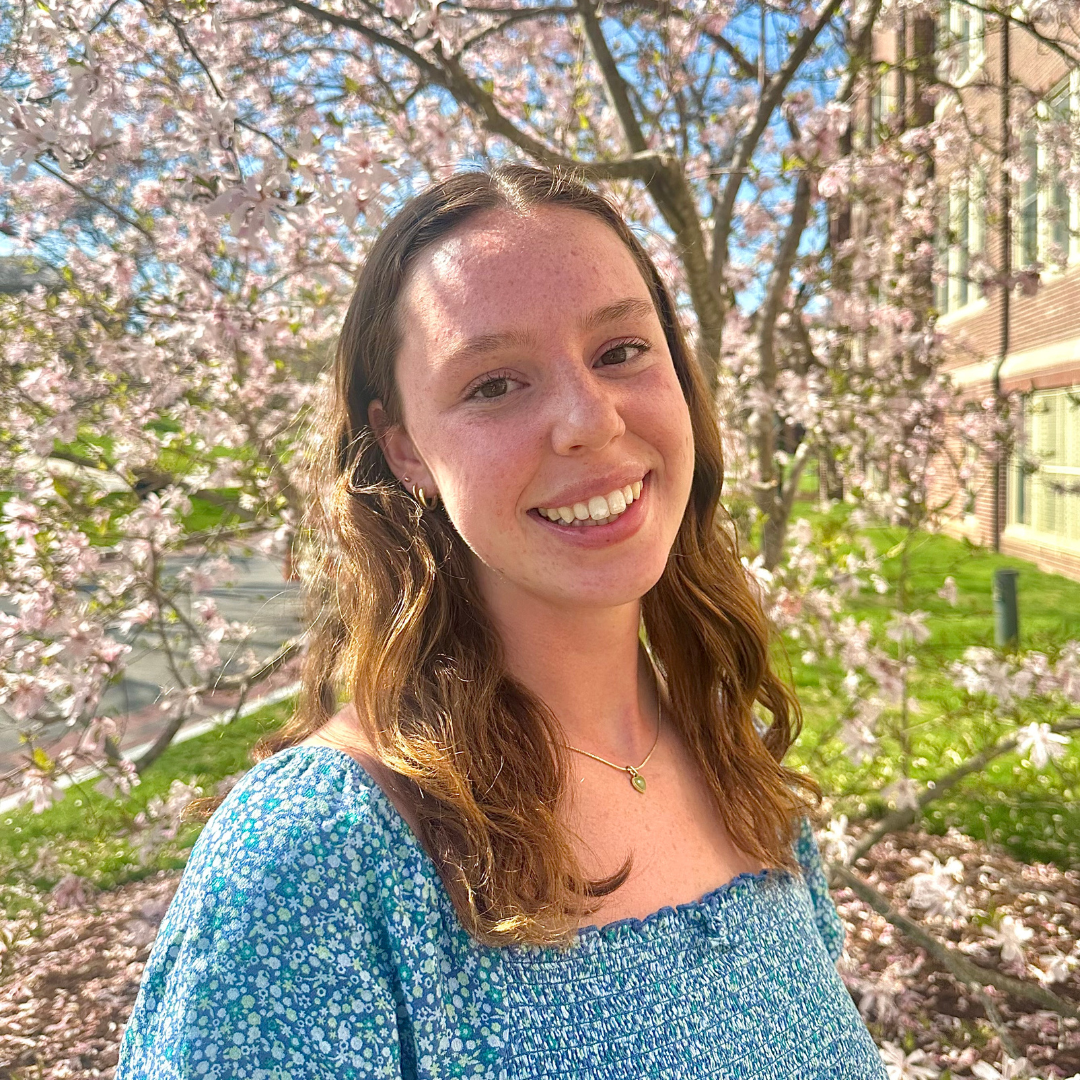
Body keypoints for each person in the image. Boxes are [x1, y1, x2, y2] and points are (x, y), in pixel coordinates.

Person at [116, 164, 887, 1079]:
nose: (588, 422)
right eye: (493, 384)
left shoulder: (732, 752)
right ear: (404, 447)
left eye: (620, 351)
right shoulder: (318, 854)